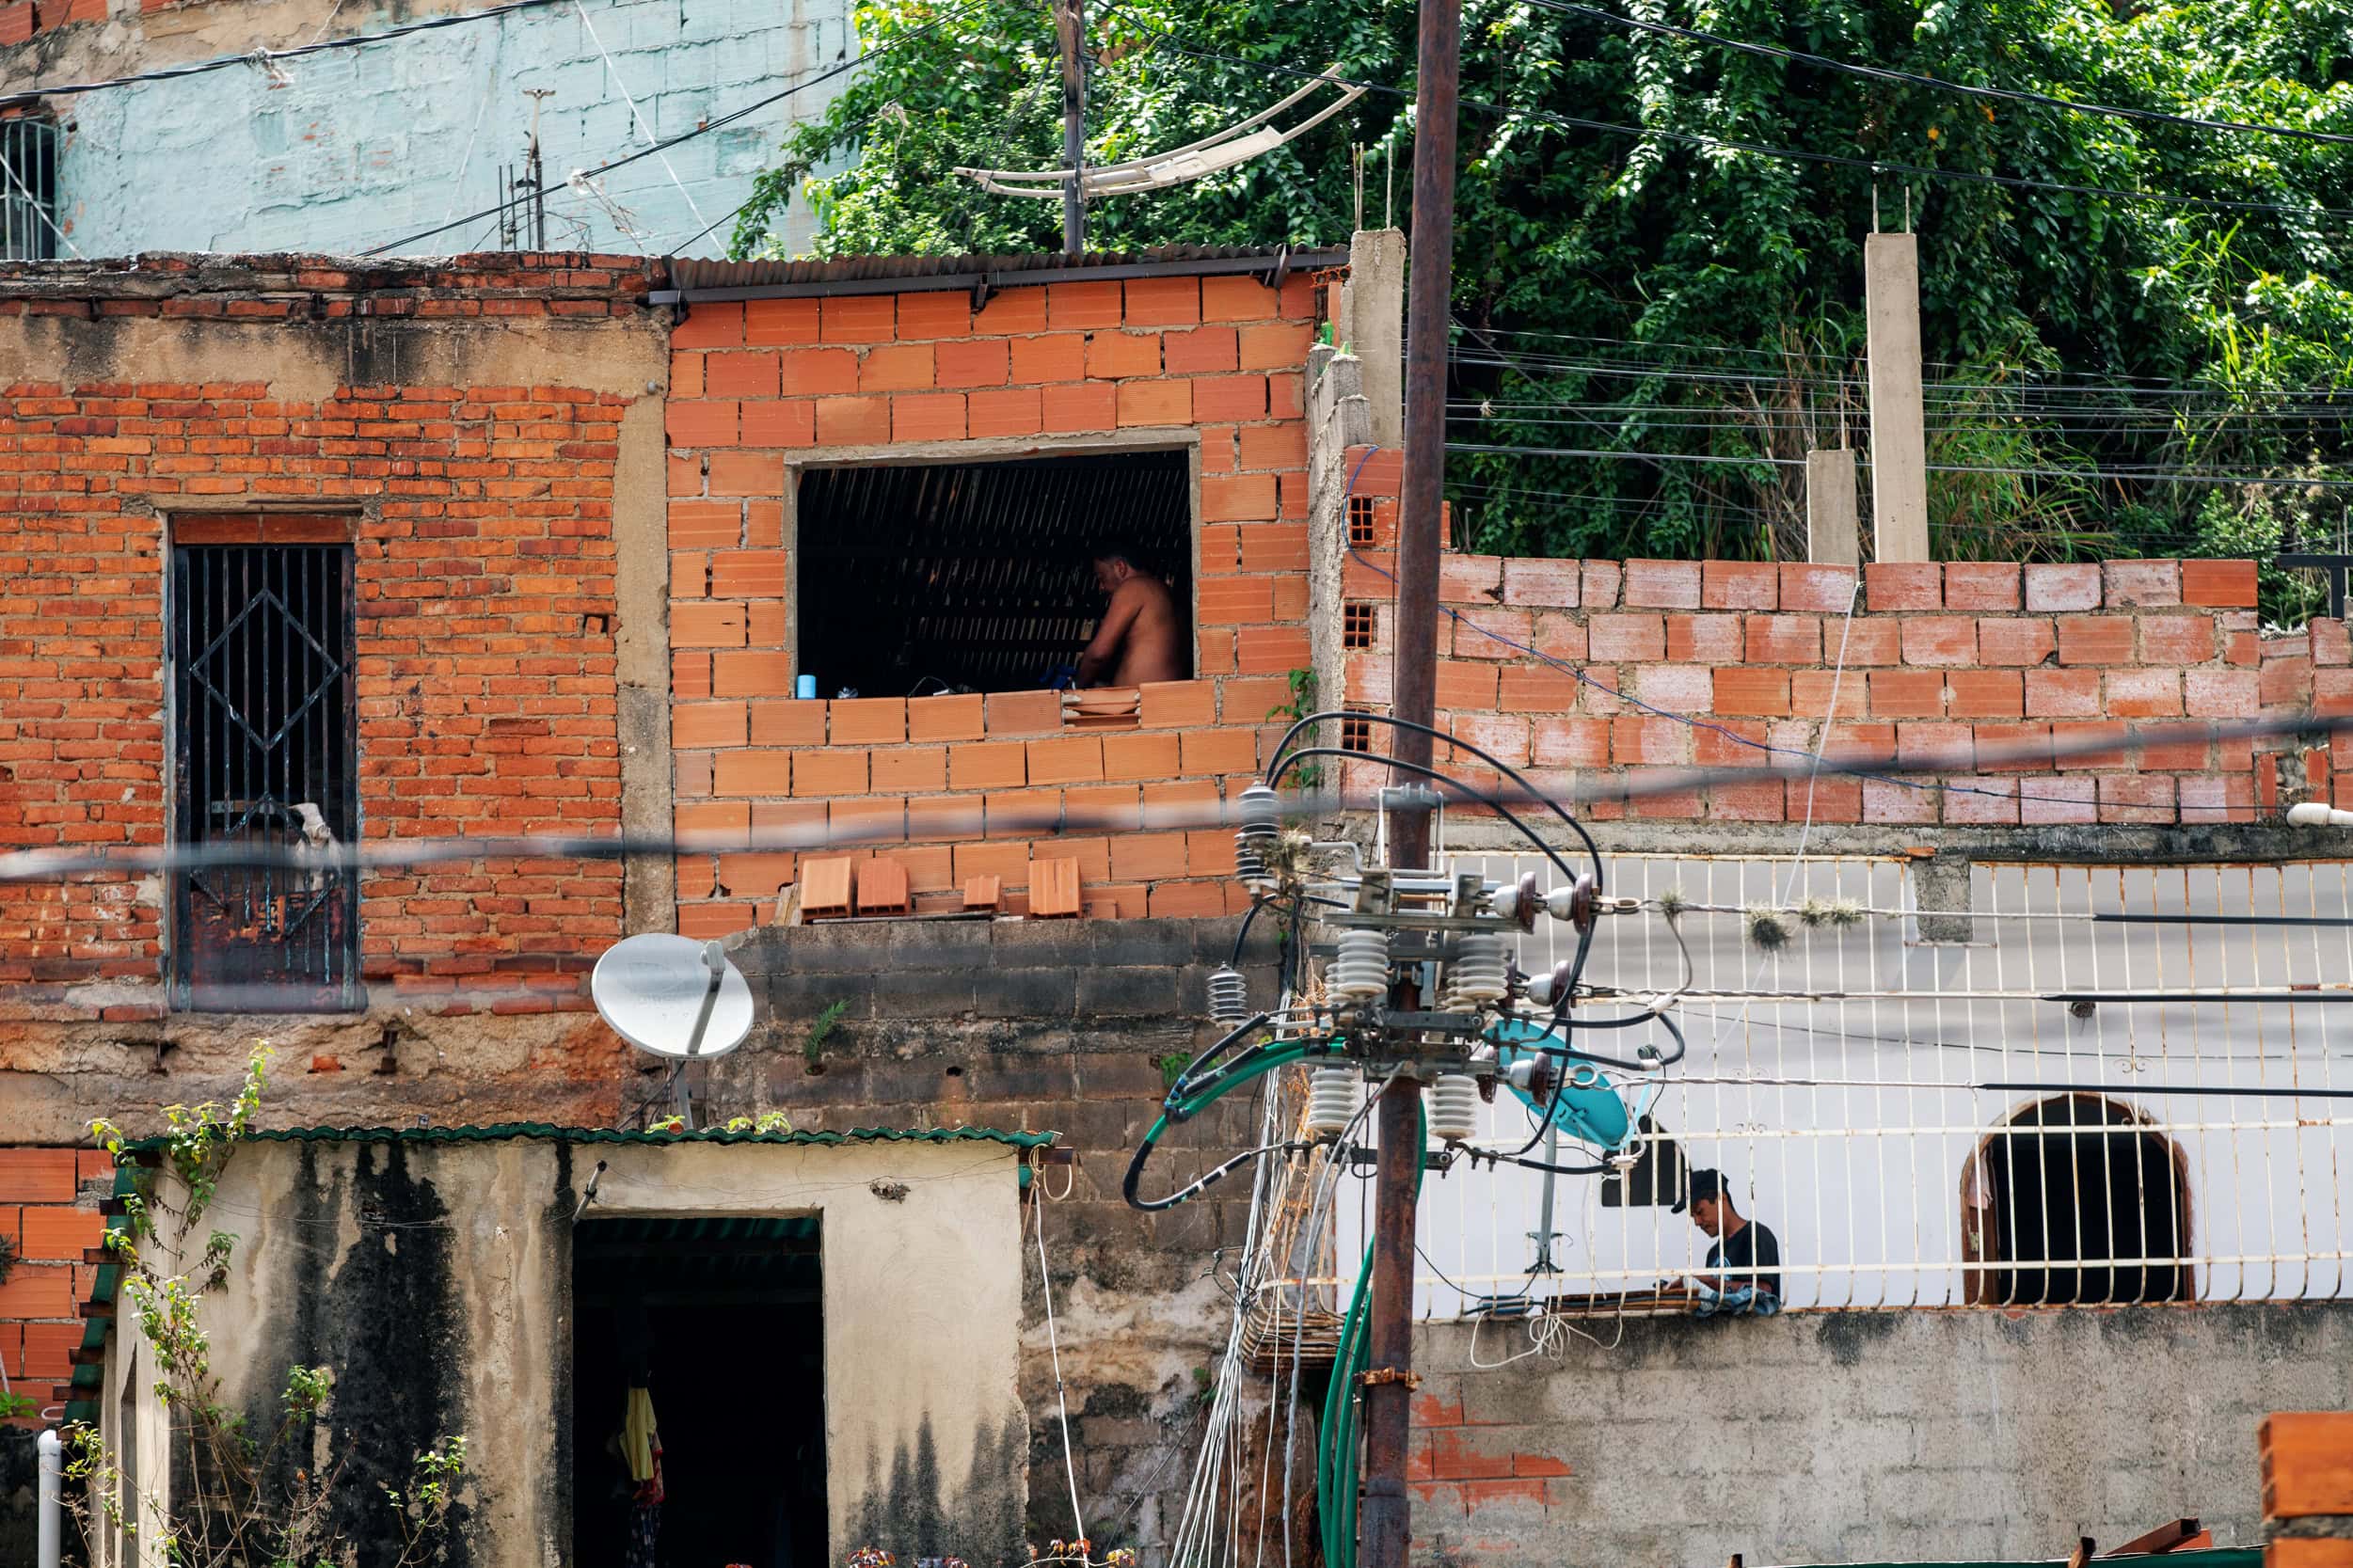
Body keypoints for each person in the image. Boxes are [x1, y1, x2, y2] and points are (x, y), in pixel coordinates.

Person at [1075, 544, 1186, 688]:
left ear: (1120, 567)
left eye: (1101, 577)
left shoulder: (1133, 587)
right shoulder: (1167, 593)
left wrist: (1075, 687)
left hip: (1143, 702)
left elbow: (1098, 655)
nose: (1101, 587)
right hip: (1167, 697)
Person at [1676, 1167, 1782, 1305]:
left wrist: (1711, 1282)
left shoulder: (1757, 1235)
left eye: (1700, 1212)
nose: (1697, 1222)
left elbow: (1763, 1292)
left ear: (1721, 1198)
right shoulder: (1713, 1253)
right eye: (1693, 1216)